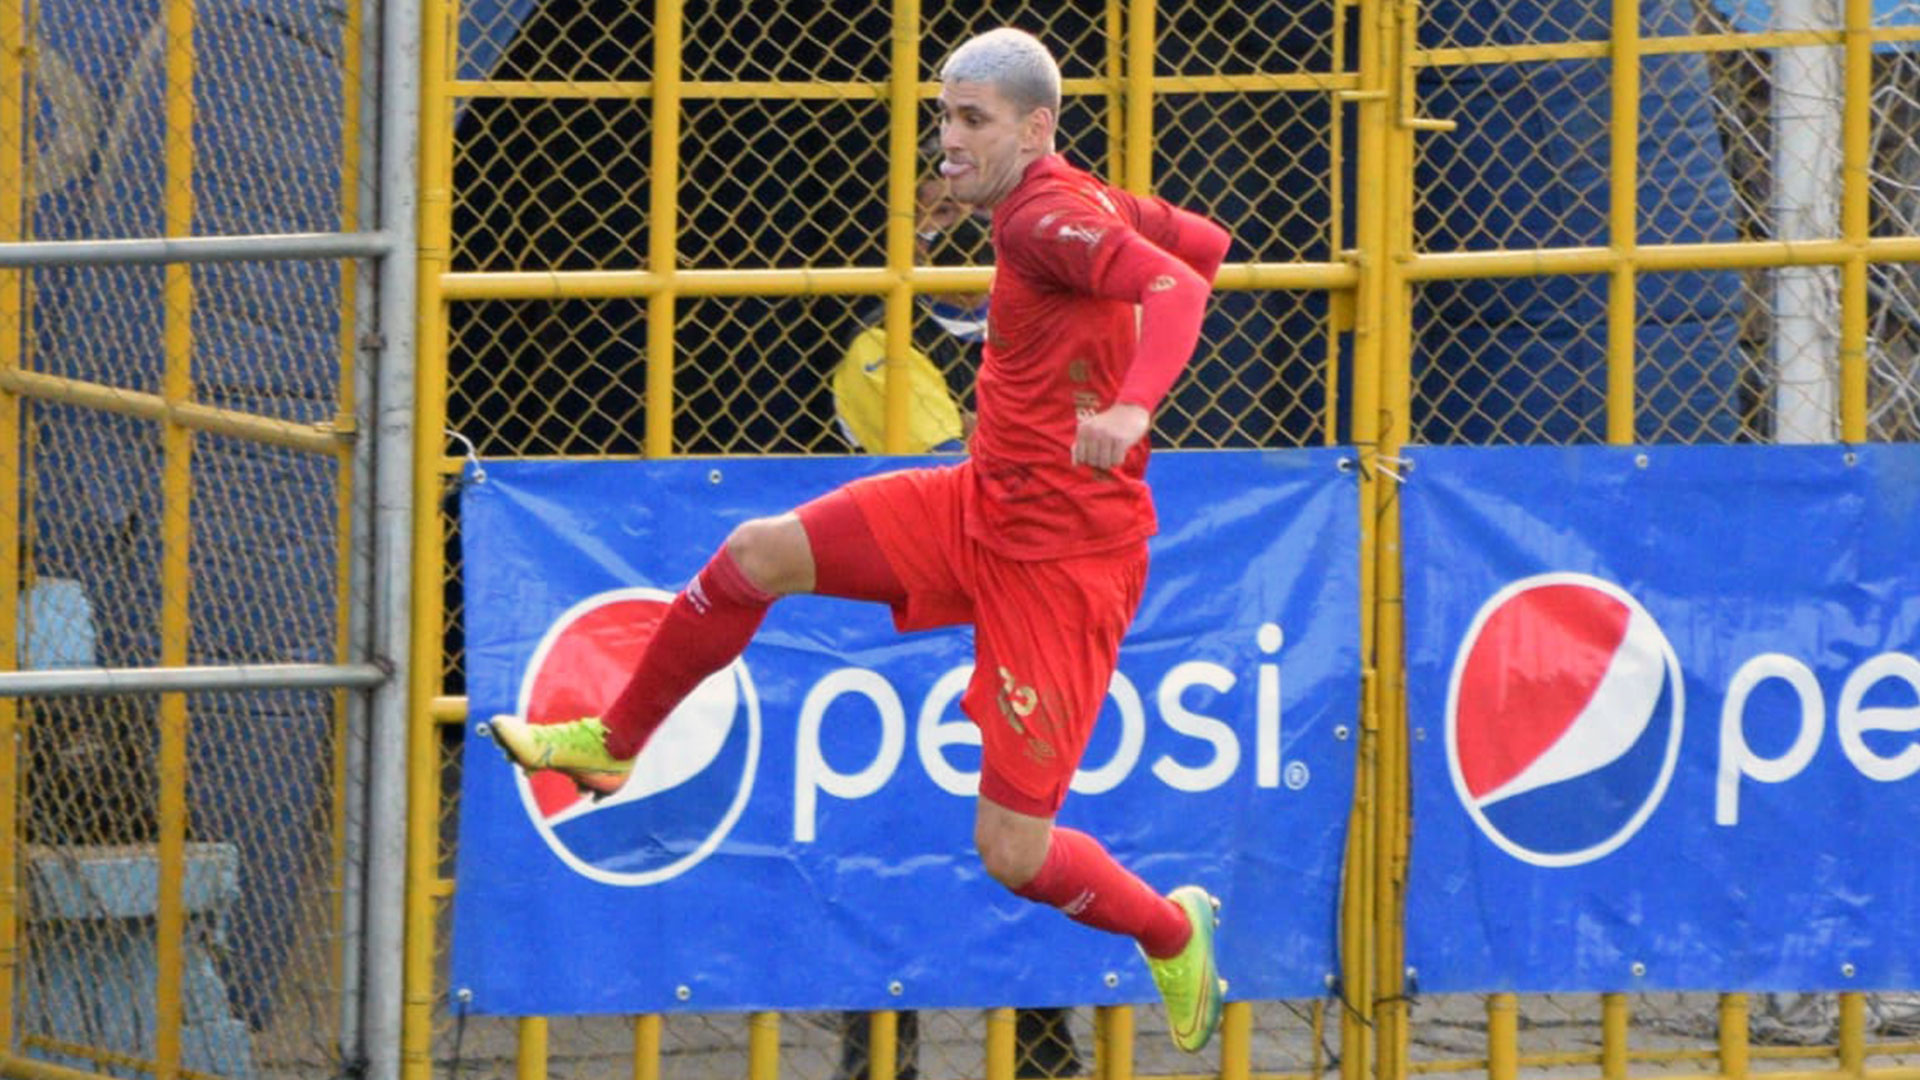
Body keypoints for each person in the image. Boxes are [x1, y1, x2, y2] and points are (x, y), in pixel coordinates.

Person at [485, 26, 1233, 1054]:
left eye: (972, 120)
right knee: (756, 555)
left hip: (1063, 566)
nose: (949, 139)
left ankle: (1171, 930)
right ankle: (612, 745)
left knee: (1013, 853)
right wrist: (1085, 352)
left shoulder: (1043, 216)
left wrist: (1133, 403)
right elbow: (1205, 245)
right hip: (977, 504)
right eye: (944, 116)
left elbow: (1179, 286)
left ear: (1035, 128)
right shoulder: (1077, 200)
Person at [830, 172, 1085, 1080]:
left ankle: (1043, 1049)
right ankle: (879, 1058)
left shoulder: (1048, 330)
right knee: (893, 855)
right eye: (936, 217)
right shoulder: (884, 346)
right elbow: (970, 477)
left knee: (1029, 836)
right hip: (909, 648)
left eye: (976, 215)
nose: (960, 235)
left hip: (1024, 629)